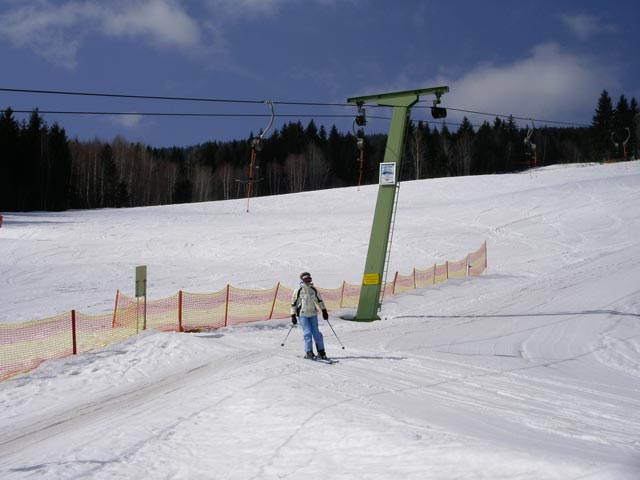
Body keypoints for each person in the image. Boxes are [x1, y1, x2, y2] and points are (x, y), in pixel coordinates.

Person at [291, 271, 329, 359]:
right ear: (303, 280)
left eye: (309, 279)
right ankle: (309, 352)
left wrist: (324, 310)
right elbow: (293, 303)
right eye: (306, 280)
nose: (308, 281)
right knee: (307, 332)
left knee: (316, 333)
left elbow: (319, 301)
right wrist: (293, 315)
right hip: (303, 314)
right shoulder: (298, 290)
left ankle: (321, 351)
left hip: (312, 314)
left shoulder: (313, 289)